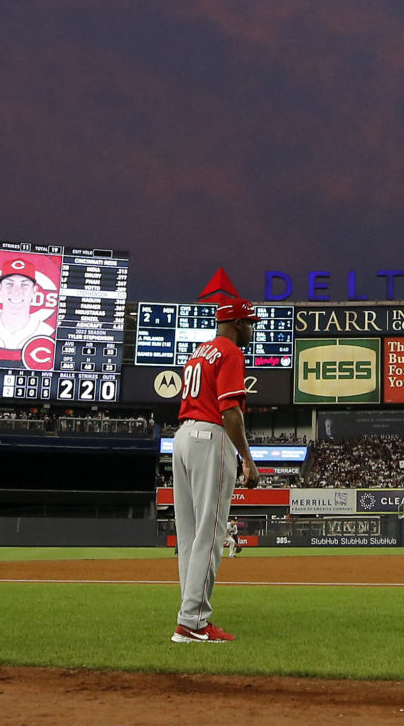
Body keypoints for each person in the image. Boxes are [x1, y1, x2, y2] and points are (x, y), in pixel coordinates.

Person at [171, 269, 260, 644]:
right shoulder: (230, 351)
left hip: (182, 437)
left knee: (191, 538)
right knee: (209, 535)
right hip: (210, 437)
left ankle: (191, 616)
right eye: (250, 323)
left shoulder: (199, 352)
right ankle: (191, 622)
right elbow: (230, 412)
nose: (252, 329)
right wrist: (248, 458)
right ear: (237, 323)